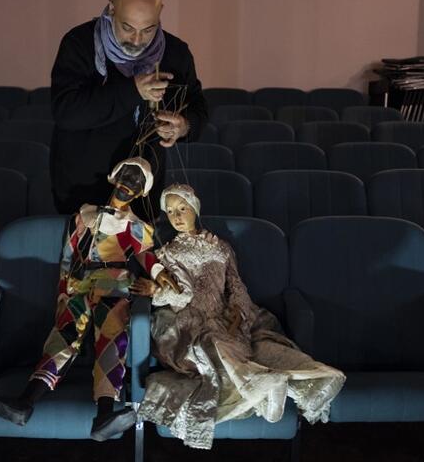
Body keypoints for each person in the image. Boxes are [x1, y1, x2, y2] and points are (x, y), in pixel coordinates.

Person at [131, 184, 346, 450]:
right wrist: (156, 290)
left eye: (182, 208)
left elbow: (236, 285)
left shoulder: (220, 247)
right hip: (189, 320)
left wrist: (239, 313)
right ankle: (260, 383)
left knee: (256, 346)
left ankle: (277, 377)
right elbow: (180, 296)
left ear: (195, 209)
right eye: (171, 211)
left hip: (223, 315)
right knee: (211, 347)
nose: (176, 216)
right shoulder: (167, 254)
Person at [0, 158, 181, 441]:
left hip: (114, 285)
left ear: (142, 192)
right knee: (62, 338)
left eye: (137, 182)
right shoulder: (85, 214)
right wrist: (63, 290)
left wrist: (159, 273)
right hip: (79, 284)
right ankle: (24, 402)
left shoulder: (136, 226)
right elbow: (68, 254)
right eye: (126, 175)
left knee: (112, 342)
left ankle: (104, 414)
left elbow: (146, 255)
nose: (129, 183)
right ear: (115, 176)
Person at [50, 0, 207, 219]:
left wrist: (184, 126)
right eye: (127, 27)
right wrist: (133, 90)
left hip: (144, 196)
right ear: (112, 8)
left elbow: (199, 109)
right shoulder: (79, 43)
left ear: (160, 13)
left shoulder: (176, 53)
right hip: (82, 191)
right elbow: (66, 112)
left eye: (148, 29)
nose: (137, 40)